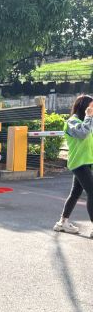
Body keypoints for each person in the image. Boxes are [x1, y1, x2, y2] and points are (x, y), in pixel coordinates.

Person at [53, 94, 93, 236]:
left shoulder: (87, 121)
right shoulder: (72, 121)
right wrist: (89, 117)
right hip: (78, 162)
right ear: (84, 107)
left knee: (75, 193)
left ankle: (62, 222)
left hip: (86, 162)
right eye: (91, 106)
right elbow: (82, 134)